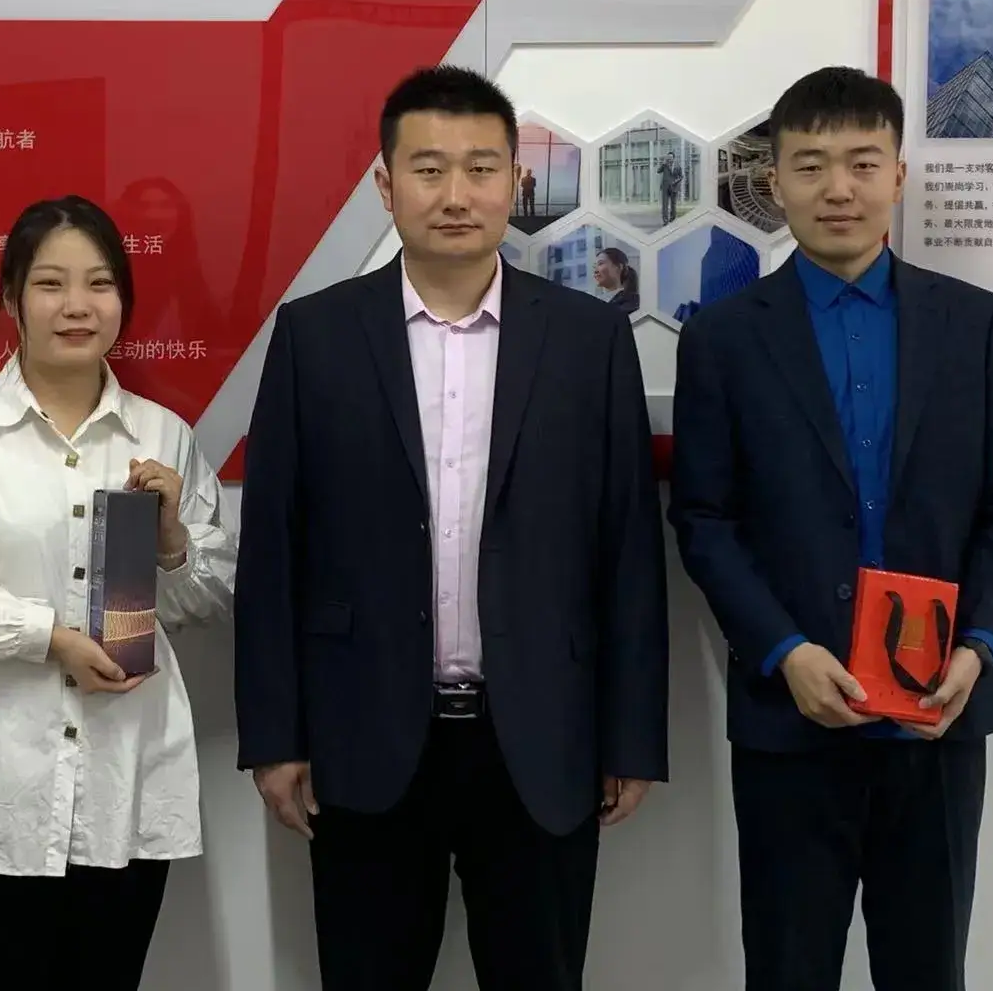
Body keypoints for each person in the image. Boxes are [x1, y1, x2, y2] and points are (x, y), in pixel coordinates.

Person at [234, 64, 668, 991]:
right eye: (429, 170)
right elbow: (273, 550)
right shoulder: (316, 337)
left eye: (481, 168)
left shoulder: (589, 341)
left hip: (541, 738)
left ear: (517, 182)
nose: (456, 194)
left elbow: (628, 548)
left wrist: (630, 738)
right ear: (386, 185)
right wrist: (274, 735)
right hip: (364, 736)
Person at [668, 66, 993, 991]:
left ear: (898, 176)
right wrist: (784, 651)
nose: (837, 188)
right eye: (810, 165)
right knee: (787, 968)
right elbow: (705, 519)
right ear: (775, 182)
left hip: (939, 715)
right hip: (791, 717)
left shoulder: (974, 324)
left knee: (927, 968)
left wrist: (982, 646)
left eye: (862, 163)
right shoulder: (722, 337)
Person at [0, 195, 237, 991]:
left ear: (123, 301)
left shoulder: (162, 436)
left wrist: (173, 542)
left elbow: (208, 599)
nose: (77, 305)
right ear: (12, 298)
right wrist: (51, 638)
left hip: (121, 789)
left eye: (100, 284)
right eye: (51, 284)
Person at [593, 246, 640, 315]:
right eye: (594, 266)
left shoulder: (631, 302)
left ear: (619, 267)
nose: (595, 271)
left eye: (600, 264)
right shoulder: (597, 301)